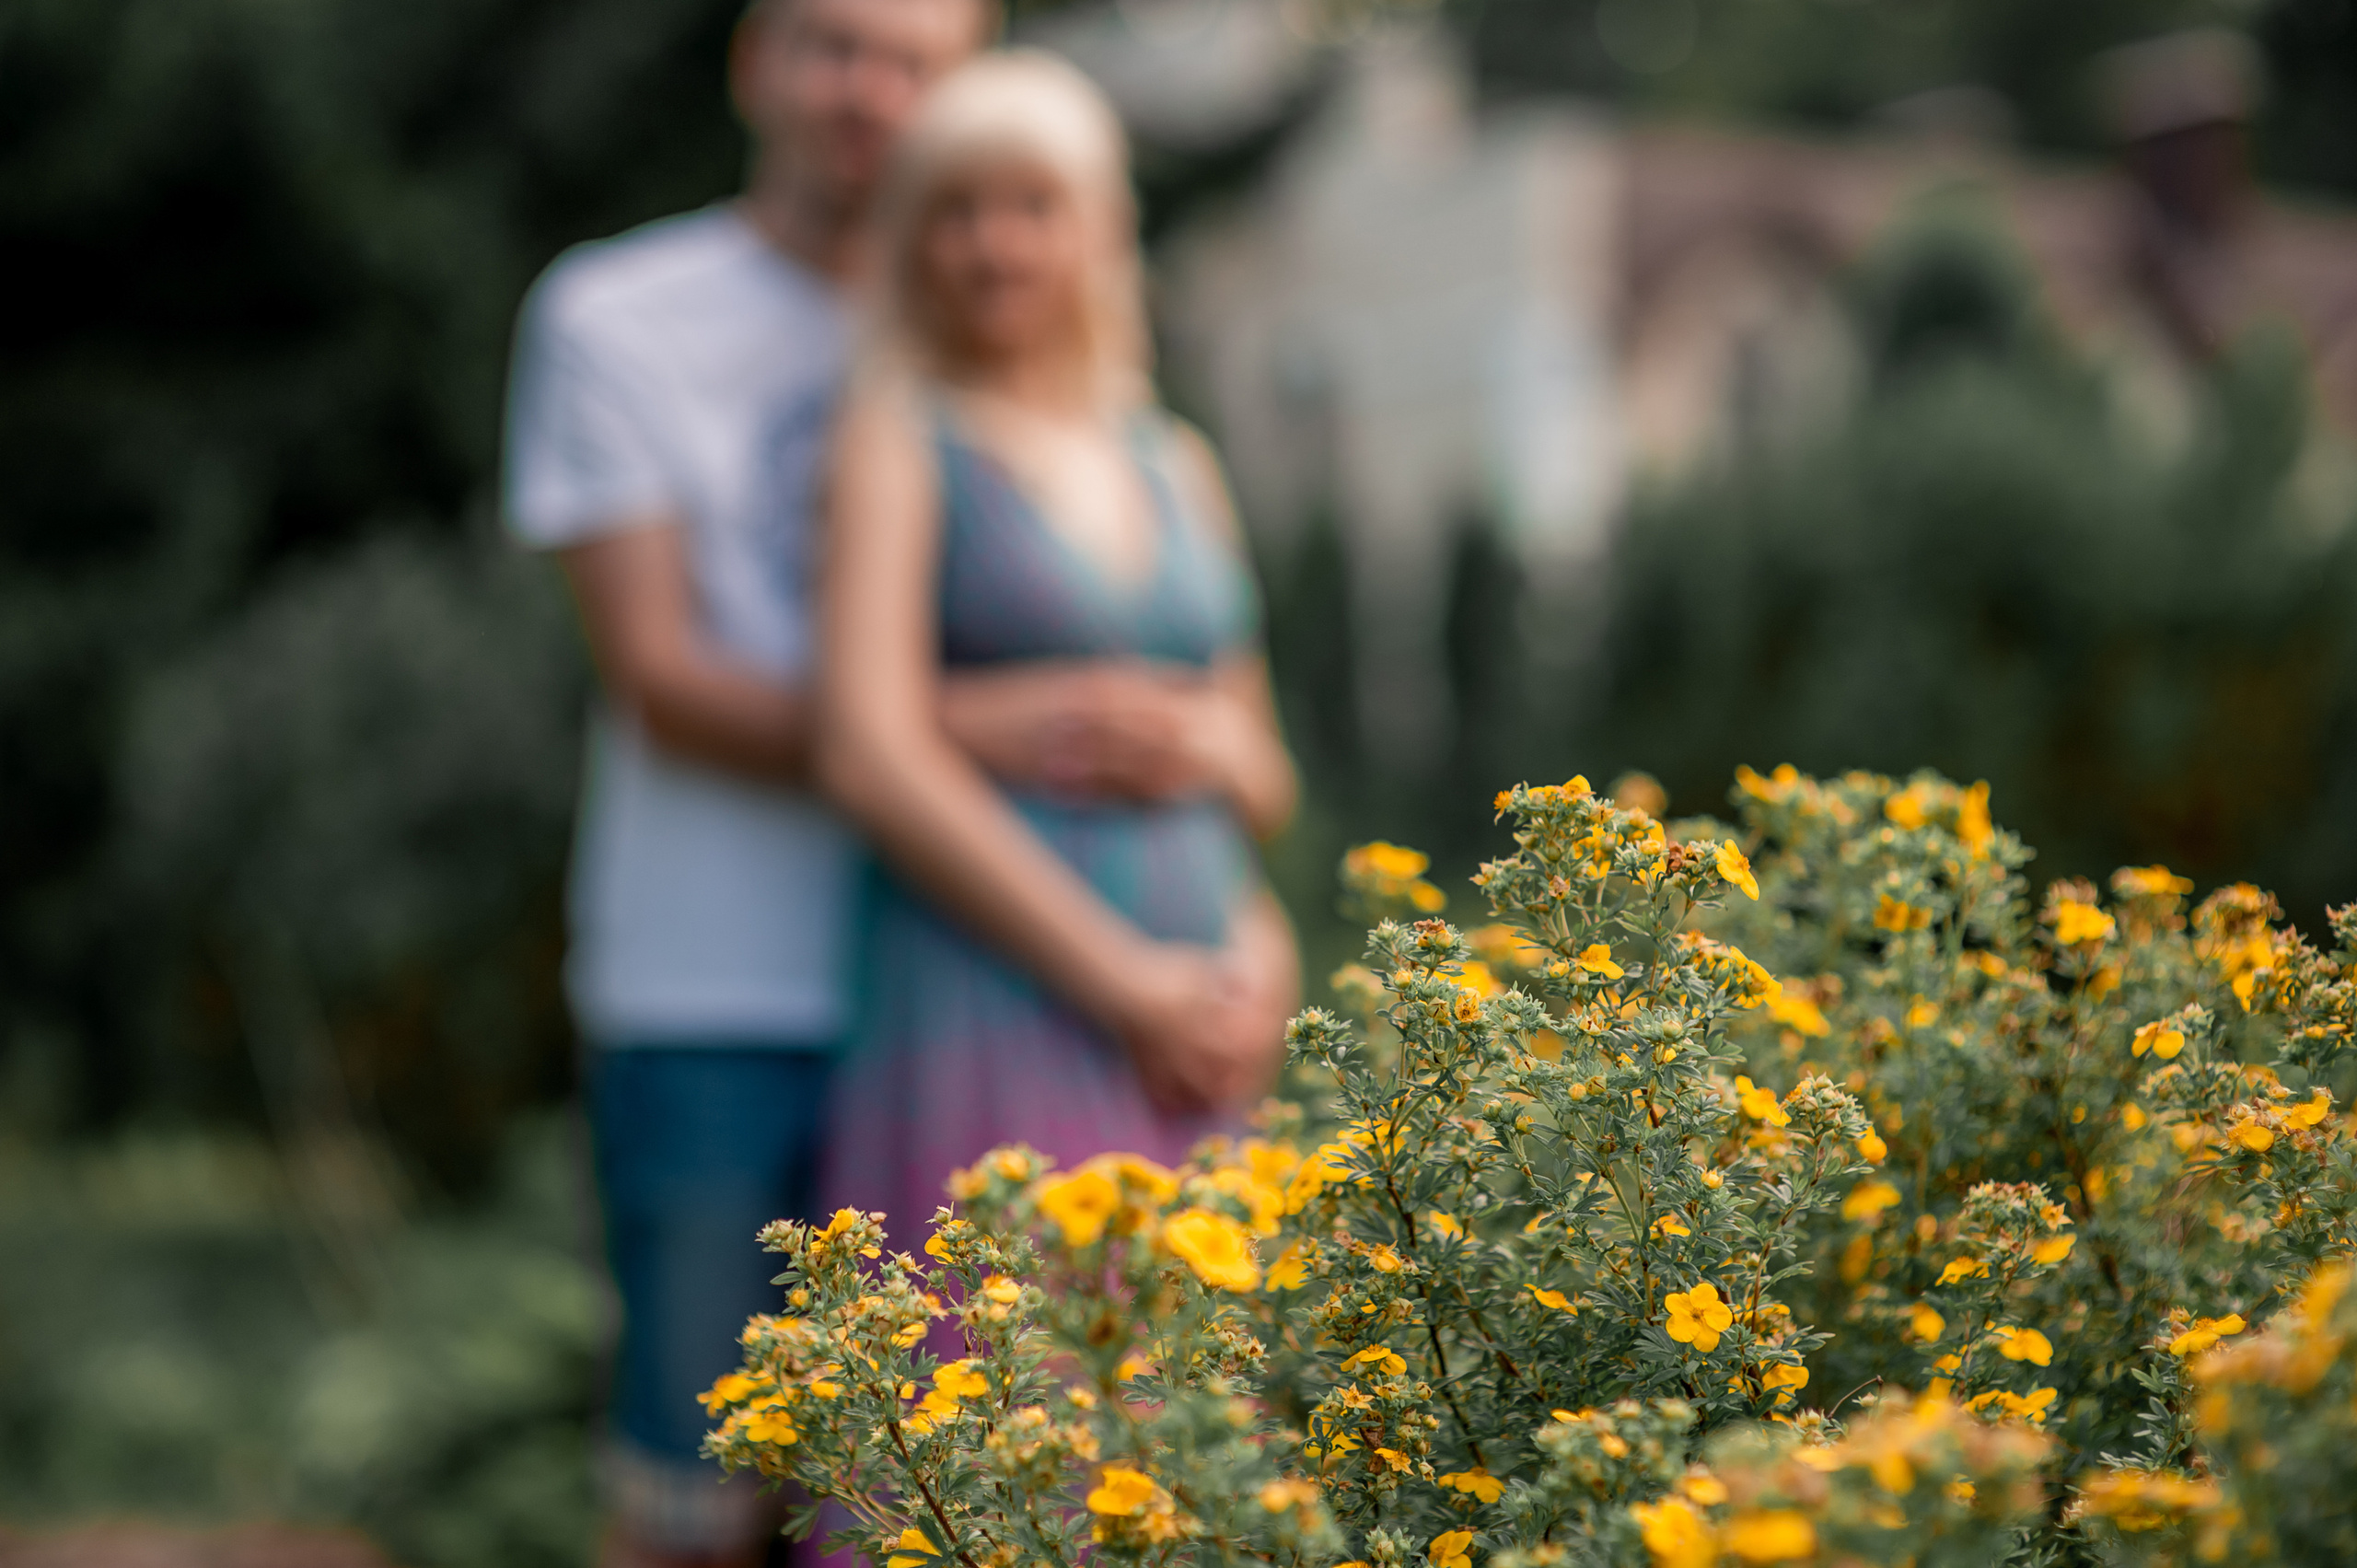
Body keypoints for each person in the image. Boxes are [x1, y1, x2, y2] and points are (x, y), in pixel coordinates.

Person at [503, 4, 1218, 1563]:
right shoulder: (622, 315)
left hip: (985, 993)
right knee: (695, 1501)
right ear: (755, 59)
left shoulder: (998, 302)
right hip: (725, 993)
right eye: (832, 44)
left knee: (955, 1499)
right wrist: (969, 728)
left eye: (912, 56)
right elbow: (663, 674)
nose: (869, 89)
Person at [813, 52, 1301, 1244]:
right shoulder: (897, 441)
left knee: (1200, 1346)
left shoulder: (1174, 459)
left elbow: (1265, 784)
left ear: (1099, 229)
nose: (996, 247)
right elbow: (867, 754)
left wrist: (1259, 961)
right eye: (957, 212)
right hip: (993, 993)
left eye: (1034, 207)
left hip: (1203, 1022)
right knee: (1010, 1337)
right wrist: (1124, 982)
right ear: (912, 240)